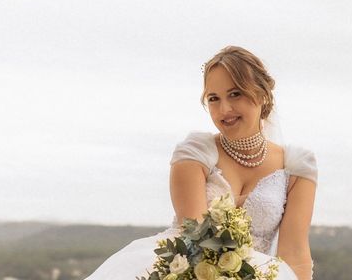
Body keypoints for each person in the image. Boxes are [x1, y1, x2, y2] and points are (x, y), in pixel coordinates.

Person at [85, 46, 318, 280]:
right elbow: (196, 240)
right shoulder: (195, 154)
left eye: (235, 94)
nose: (224, 109)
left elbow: (295, 254)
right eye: (214, 99)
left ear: (262, 94)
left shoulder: (296, 167)